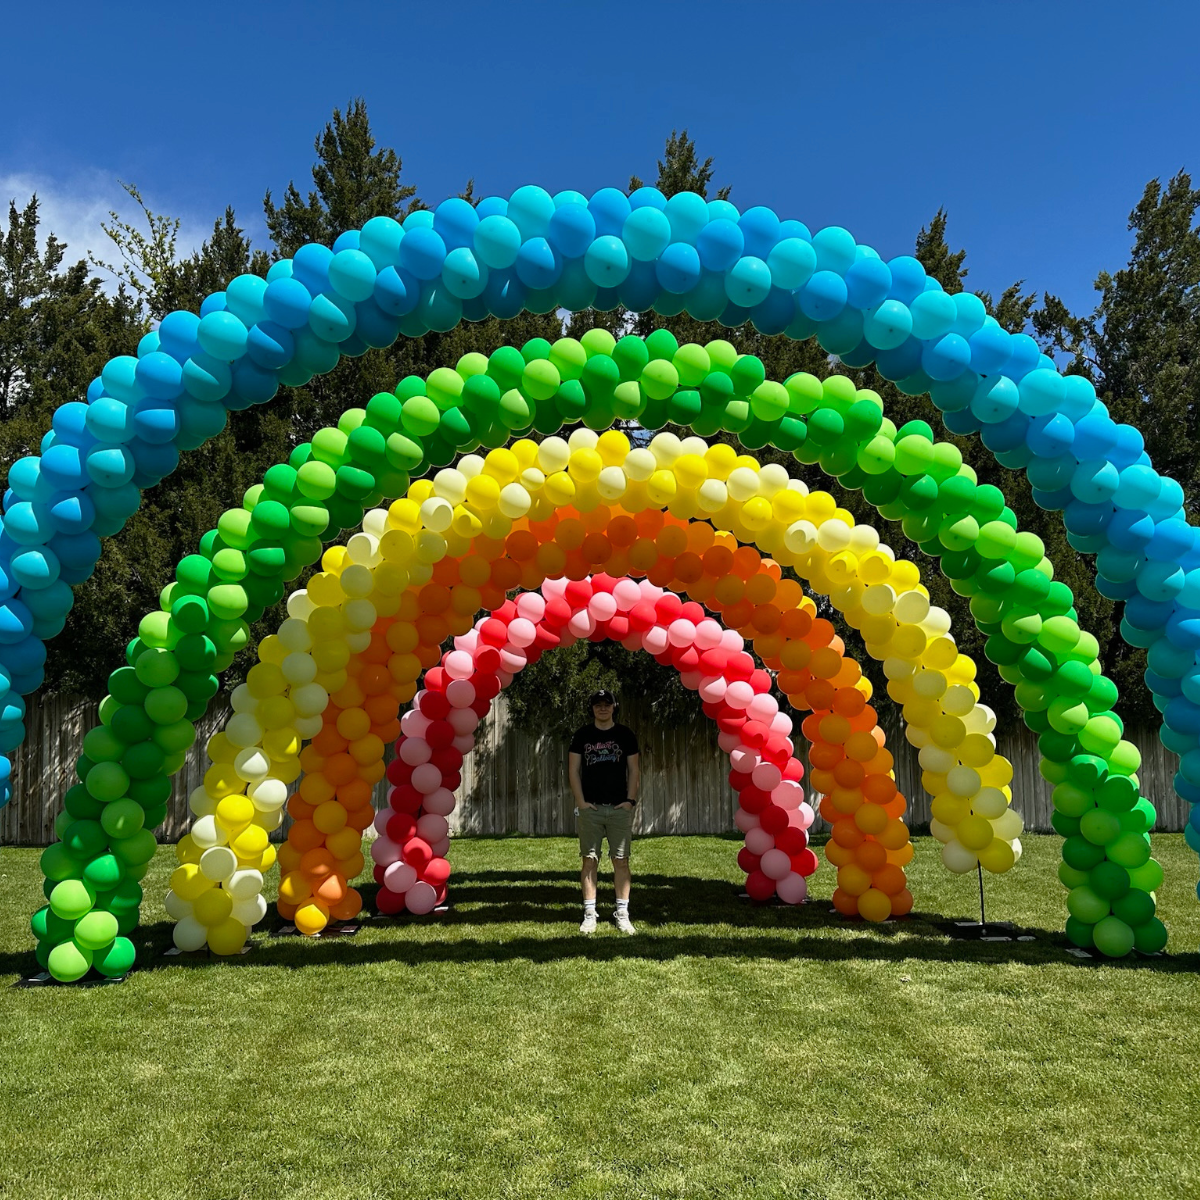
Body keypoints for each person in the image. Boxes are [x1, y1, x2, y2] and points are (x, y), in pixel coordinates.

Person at [568, 689, 640, 935]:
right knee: (589, 860)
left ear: (614, 707)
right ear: (592, 708)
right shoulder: (582, 735)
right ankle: (590, 914)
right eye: (597, 704)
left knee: (621, 861)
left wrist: (630, 800)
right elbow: (573, 770)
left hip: (619, 807)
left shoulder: (625, 735)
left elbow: (634, 770)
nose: (602, 708)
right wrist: (581, 802)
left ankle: (623, 913)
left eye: (606, 704)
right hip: (591, 808)